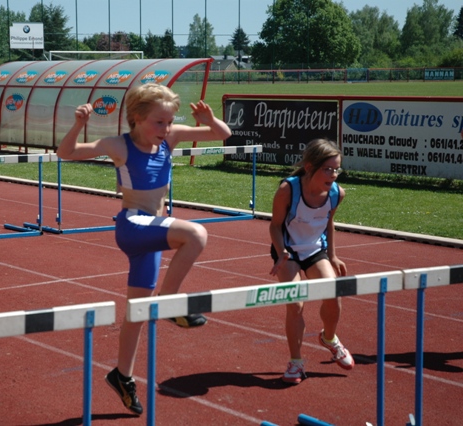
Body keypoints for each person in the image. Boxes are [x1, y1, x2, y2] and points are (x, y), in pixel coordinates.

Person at [57, 83, 232, 415]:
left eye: (169, 122)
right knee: (196, 235)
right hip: (134, 225)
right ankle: (170, 304)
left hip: (153, 230)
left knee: (137, 312)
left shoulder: (170, 138)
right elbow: (66, 153)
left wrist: (209, 119)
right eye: (158, 122)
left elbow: (223, 134)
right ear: (136, 118)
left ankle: (122, 375)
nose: (165, 129)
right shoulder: (119, 146)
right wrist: (79, 125)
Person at [268, 138, 353, 385]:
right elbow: (274, 226)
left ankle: (329, 338)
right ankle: (296, 362)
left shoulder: (337, 193)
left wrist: (333, 255)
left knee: (333, 292)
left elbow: (328, 222)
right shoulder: (288, 190)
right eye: (328, 169)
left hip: (316, 250)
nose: (334, 175)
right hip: (289, 251)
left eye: (337, 169)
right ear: (309, 167)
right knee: (295, 303)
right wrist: (281, 251)